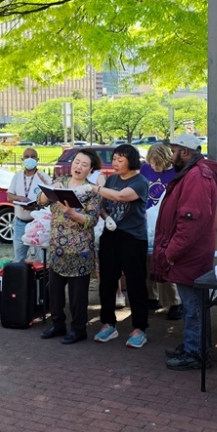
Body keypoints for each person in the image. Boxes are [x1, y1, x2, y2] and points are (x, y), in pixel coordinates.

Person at [149, 134, 217, 370]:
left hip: (189, 255)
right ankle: (193, 345)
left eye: (174, 150)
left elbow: (190, 222)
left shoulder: (197, 176)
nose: (171, 155)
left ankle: (196, 353)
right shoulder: (193, 173)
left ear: (184, 152)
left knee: (193, 306)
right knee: (191, 305)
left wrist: (171, 253)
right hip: (189, 253)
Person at [37, 148, 102, 344]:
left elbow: (91, 220)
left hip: (80, 250)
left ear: (91, 169)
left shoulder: (92, 191)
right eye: (77, 162)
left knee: (77, 295)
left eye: (84, 164)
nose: (78, 167)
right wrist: (49, 189)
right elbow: (40, 201)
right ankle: (57, 324)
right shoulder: (61, 182)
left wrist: (72, 213)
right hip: (57, 247)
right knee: (54, 292)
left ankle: (78, 329)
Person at [88, 144, 150, 348]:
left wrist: (94, 187)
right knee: (106, 282)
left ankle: (139, 328)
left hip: (133, 238)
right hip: (111, 235)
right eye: (114, 159)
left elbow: (121, 196)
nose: (115, 163)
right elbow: (103, 204)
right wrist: (106, 218)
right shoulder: (112, 179)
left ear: (131, 161)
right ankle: (108, 324)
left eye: (120, 160)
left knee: (135, 283)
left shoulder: (140, 182)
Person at [140, 142, 182, 320]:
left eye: (157, 164)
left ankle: (174, 302)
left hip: (166, 221)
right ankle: (151, 297)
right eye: (152, 163)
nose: (154, 167)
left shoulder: (176, 173)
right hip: (145, 220)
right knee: (145, 261)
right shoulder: (144, 169)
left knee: (164, 261)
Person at [7, 147, 51, 262]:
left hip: (38, 224)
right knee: (19, 258)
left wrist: (36, 206)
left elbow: (52, 197)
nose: (30, 159)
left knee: (42, 259)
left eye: (33, 156)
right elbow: (9, 196)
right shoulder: (17, 176)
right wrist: (20, 198)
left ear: (37, 159)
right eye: (27, 157)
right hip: (20, 223)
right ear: (22, 159)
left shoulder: (43, 177)